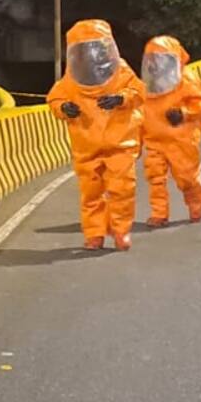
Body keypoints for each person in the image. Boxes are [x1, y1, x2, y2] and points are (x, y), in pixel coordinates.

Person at [47, 19, 145, 251]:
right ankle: (94, 234)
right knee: (91, 194)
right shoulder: (70, 79)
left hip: (120, 144)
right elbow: (54, 99)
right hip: (86, 147)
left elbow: (138, 91)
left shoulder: (121, 71)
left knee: (122, 191)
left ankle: (121, 232)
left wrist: (121, 98)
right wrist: (63, 108)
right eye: (85, 48)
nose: (91, 53)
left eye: (96, 46)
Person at [140, 35, 201, 228]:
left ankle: (196, 205)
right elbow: (139, 110)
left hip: (181, 138)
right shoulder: (147, 83)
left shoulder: (186, 78)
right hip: (154, 139)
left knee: (187, 178)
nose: (157, 63)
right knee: (155, 178)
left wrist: (183, 113)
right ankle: (159, 214)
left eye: (161, 58)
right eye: (153, 58)